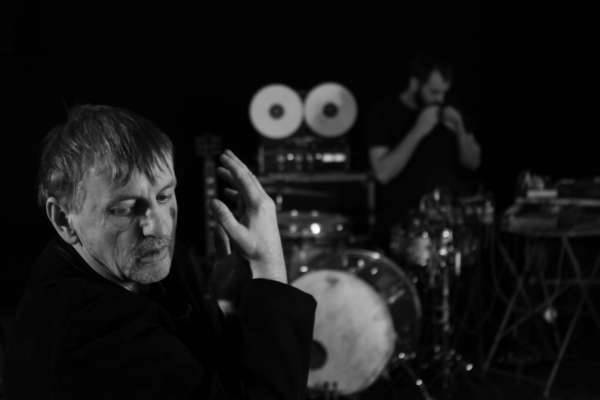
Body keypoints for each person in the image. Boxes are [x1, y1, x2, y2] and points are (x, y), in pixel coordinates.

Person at [4, 105, 316, 399]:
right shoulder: (90, 333)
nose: (156, 226)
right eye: (124, 209)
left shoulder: (140, 269)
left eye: (164, 196)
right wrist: (269, 266)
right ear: (63, 220)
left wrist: (228, 304)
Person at [367, 54, 482, 251]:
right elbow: (383, 173)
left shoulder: (449, 110)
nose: (440, 99)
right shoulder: (384, 114)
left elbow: (473, 162)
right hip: (402, 228)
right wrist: (419, 129)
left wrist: (460, 128)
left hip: (447, 227)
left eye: (444, 93)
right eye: (434, 92)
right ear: (415, 84)